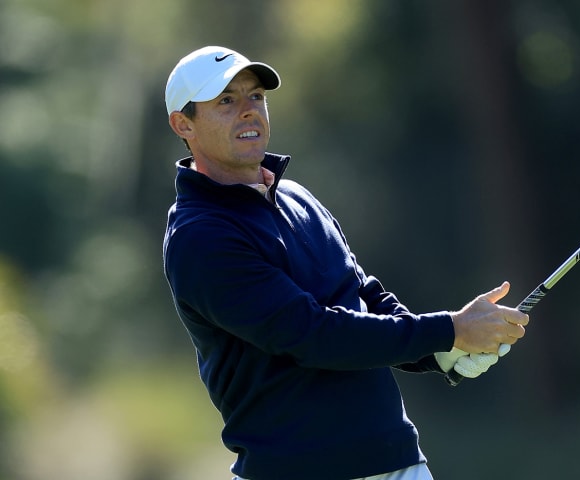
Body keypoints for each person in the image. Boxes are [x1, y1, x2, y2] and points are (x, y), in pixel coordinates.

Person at [162, 46, 529, 480]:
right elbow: (310, 334)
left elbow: (362, 293)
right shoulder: (199, 235)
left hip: (394, 458)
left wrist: (441, 351)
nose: (248, 111)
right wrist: (448, 329)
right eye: (226, 101)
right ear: (183, 124)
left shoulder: (297, 196)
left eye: (256, 96)